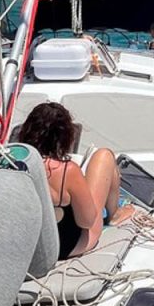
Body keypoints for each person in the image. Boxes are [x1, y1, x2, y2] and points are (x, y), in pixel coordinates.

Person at [17, 101, 133, 259]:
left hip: (29, 247)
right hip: (65, 247)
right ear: (65, 136)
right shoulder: (67, 171)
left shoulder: (11, 163)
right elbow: (86, 222)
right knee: (104, 156)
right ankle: (114, 214)